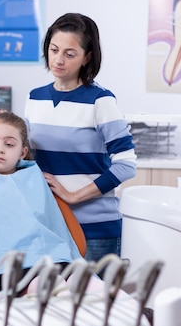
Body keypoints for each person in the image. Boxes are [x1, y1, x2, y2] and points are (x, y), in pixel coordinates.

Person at [24, 13, 137, 262]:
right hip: (49, 223)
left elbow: (127, 165)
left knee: (93, 301)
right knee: (49, 300)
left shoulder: (100, 100)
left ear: (87, 57)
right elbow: (30, 159)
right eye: (54, 50)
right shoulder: (34, 98)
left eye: (69, 54)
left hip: (94, 227)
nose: (58, 60)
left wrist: (75, 195)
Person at [0, 111, 82, 294]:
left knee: (82, 280)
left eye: (9, 144)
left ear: (22, 152)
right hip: (3, 268)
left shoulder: (34, 180)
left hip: (49, 259)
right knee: (52, 285)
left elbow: (50, 229)